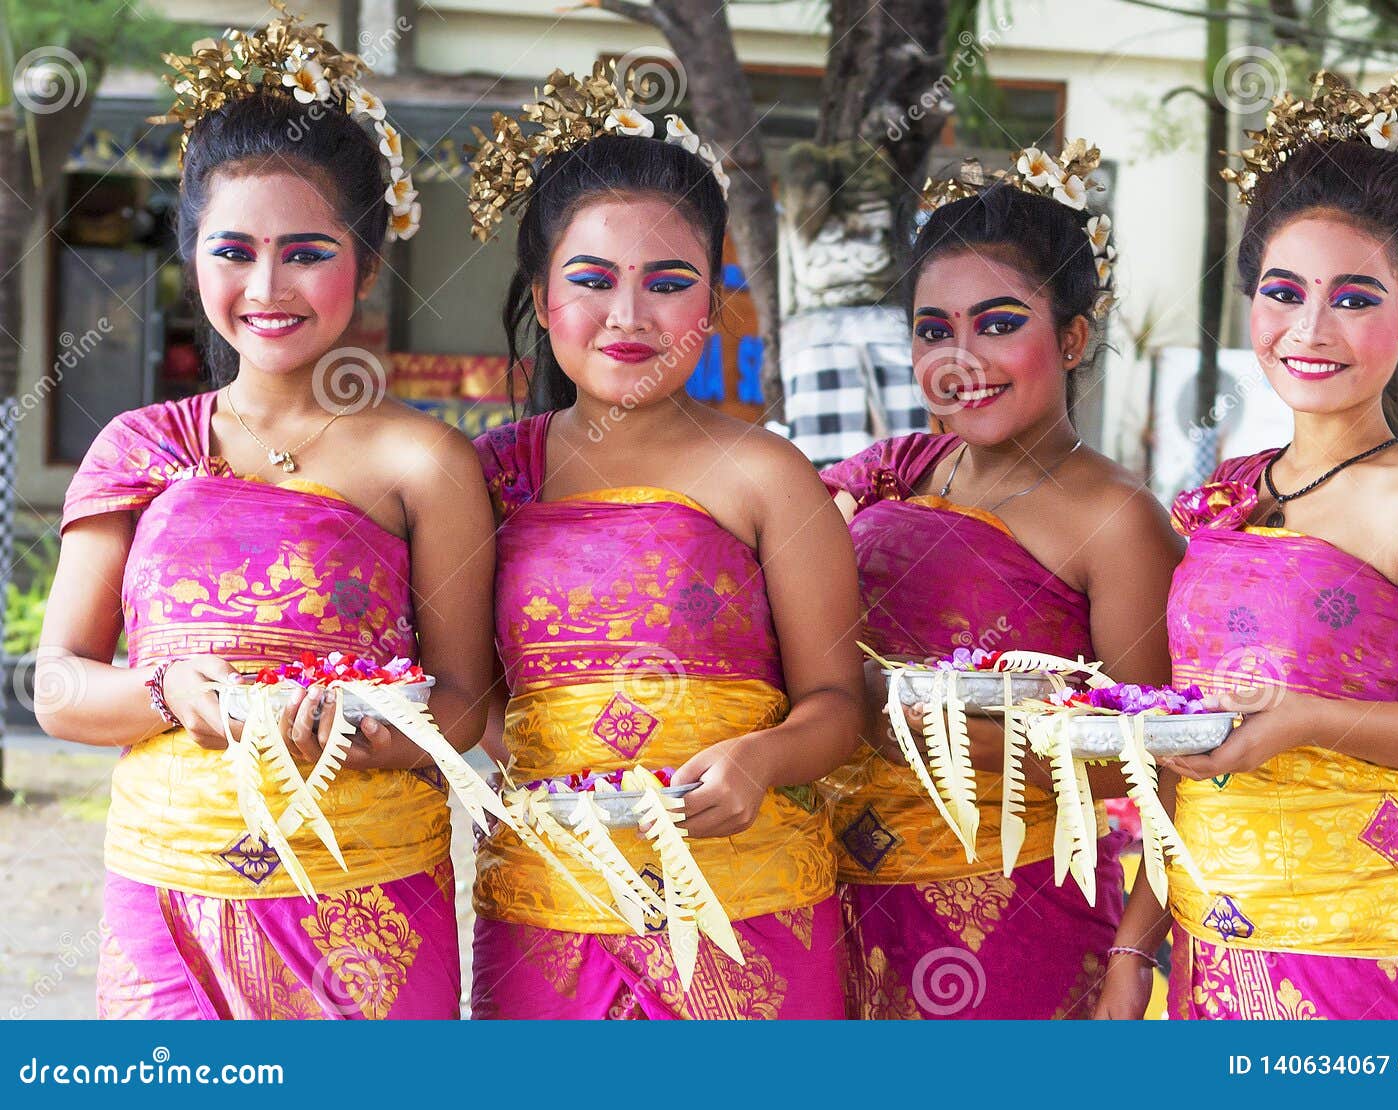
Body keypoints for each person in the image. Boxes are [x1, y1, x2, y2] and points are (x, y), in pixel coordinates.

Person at [36, 9, 494, 1019]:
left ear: (367, 263)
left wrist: (357, 733)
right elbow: (60, 687)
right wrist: (170, 695)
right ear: (192, 255)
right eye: (233, 250)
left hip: (368, 909)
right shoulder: (142, 446)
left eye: (306, 252)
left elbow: (467, 698)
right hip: (171, 904)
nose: (266, 287)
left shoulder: (425, 460)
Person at [1106, 71, 1398, 1020]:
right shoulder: (1229, 496)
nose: (1309, 330)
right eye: (1282, 291)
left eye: (1354, 297)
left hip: (1355, 954)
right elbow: (1187, 744)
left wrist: (1309, 719)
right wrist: (1136, 945)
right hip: (1204, 943)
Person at [464, 66, 865, 1019]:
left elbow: (838, 703)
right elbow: (459, 690)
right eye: (592, 281)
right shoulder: (485, 480)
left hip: (751, 910)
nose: (630, 317)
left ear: (715, 301)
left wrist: (759, 761)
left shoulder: (768, 474)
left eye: (669, 283)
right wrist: (561, 762)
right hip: (549, 906)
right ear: (541, 295)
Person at [821, 147, 1182, 1018]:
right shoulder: (895, 476)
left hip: (1011, 916)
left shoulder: (1118, 520)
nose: (960, 357)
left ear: (1072, 337)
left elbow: (1161, 769)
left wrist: (1136, 951)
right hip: (829, 898)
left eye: (997, 323)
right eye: (934, 329)